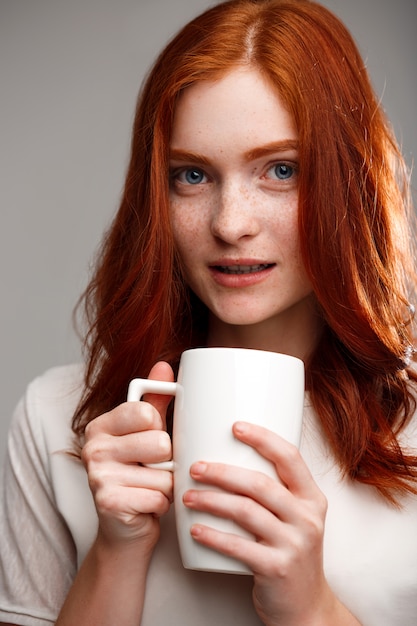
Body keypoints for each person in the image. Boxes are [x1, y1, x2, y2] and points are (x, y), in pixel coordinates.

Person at [1, 0, 416, 624]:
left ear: (347, 181)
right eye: (192, 176)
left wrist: (312, 609)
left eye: (281, 170)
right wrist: (117, 551)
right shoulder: (57, 421)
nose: (230, 224)